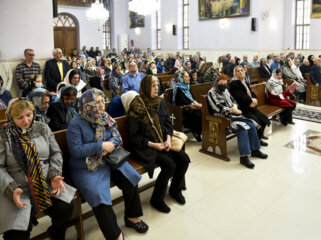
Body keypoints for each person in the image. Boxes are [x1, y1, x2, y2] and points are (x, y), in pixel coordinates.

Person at [67, 89, 148, 240]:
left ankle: (132, 218)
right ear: (87, 105)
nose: (101, 105)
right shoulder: (75, 123)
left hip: (110, 158)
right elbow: (76, 150)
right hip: (86, 166)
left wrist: (110, 144)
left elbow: (117, 136)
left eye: (101, 100)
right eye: (96, 102)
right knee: (99, 196)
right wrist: (100, 146)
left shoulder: (105, 117)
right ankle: (115, 235)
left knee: (130, 179)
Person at [0, 98, 74, 240]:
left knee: (66, 207)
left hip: (45, 181)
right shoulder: (3, 134)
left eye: (29, 115)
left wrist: (54, 174)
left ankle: (56, 234)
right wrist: (11, 188)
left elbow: (56, 153)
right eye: (19, 117)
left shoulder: (42, 127)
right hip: (18, 187)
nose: (26, 121)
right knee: (17, 232)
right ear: (11, 118)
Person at [127, 75, 190, 213]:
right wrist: (155, 145)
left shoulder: (159, 102)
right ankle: (156, 199)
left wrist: (168, 139)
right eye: (153, 86)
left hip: (163, 142)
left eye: (157, 85)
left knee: (184, 160)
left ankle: (175, 190)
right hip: (145, 147)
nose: (157, 88)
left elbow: (167, 123)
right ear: (145, 88)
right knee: (169, 166)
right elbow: (134, 137)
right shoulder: (136, 107)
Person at [207, 74, 268, 169]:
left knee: (251, 125)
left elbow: (233, 101)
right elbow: (217, 107)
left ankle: (255, 150)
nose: (223, 85)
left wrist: (235, 107)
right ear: (216, 82)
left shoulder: (225, 90)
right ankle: (244, 157)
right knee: (242, 129)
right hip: (223, 118)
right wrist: (232, 110)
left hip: (234, 115)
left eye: (225, 83)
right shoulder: (211, 92)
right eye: (221, 83)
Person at [229, 65, 270, 144]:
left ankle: (258, 139)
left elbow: (251, 92)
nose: (240, 72)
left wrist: (255, 100)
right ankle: (255, 143)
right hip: (244, 108)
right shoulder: (233, 83)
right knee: (257, 123)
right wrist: (250, 101)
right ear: (235, 73)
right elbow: (239, 97)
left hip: (251, 107)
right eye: (238, 71)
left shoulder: (244, 81)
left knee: (264, 119)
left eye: (241, 70)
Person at [173, 71, 202, 142]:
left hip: (190, 106)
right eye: (186, 77)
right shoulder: (179, 88)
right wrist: (194, 104)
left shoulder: (187, 86)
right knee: (198, 115)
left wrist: (196, 102)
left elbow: (192, 97)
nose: (189, 78)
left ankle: (198, 131)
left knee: (202, 112)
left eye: (188, 76)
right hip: (182, 109)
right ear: (181, 78)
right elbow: (183, 101)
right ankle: (196, 132)